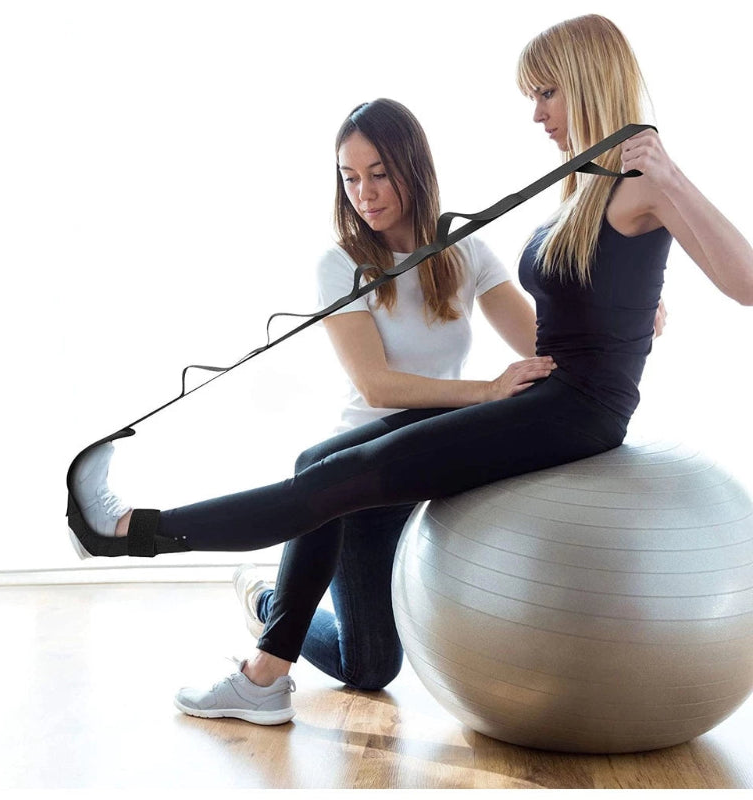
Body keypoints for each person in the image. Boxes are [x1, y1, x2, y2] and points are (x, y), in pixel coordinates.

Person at [68, 14, 753, 726]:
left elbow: (746, 282)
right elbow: (575, 311)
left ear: (588, 82)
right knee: (324, 471)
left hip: (577, 409)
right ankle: (253, 651)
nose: (537, 113)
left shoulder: (643, 179)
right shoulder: (585, 187)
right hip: (555, 396)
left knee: (331, 485)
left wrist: (672, 180)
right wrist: (631, 309)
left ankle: (124, 531)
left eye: (547, 93)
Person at [232, 96, 546, 702]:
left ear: (413, 168)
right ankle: (266, 601)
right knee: (370, 669)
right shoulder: (340, 265)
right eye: (350, 178)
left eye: (379, 174)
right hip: (362, 478)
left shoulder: (465, 250)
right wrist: (486, 391)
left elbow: (541, 342)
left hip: (433, 463)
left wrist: (627, 313)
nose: (364, 194)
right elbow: (378, 386)